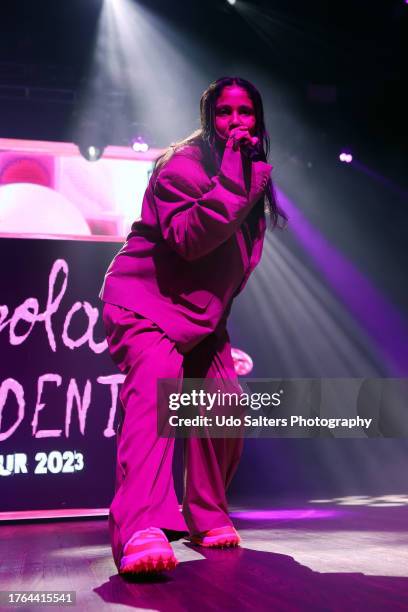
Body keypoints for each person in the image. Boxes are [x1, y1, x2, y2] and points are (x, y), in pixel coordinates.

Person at [99, 76, 287, 575]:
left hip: (199, 317)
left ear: (257, 120)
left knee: (224, 403)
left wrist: (216, 324)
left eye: (244, 112)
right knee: (158, 398)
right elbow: (190, 238)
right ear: (209, 120)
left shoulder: (252, 177)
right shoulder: (182, 166)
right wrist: (233, 175)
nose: (234, 122)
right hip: (146, 303)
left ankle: (205, 514)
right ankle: (140, 528)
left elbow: (232, 266)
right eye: (224, 113)